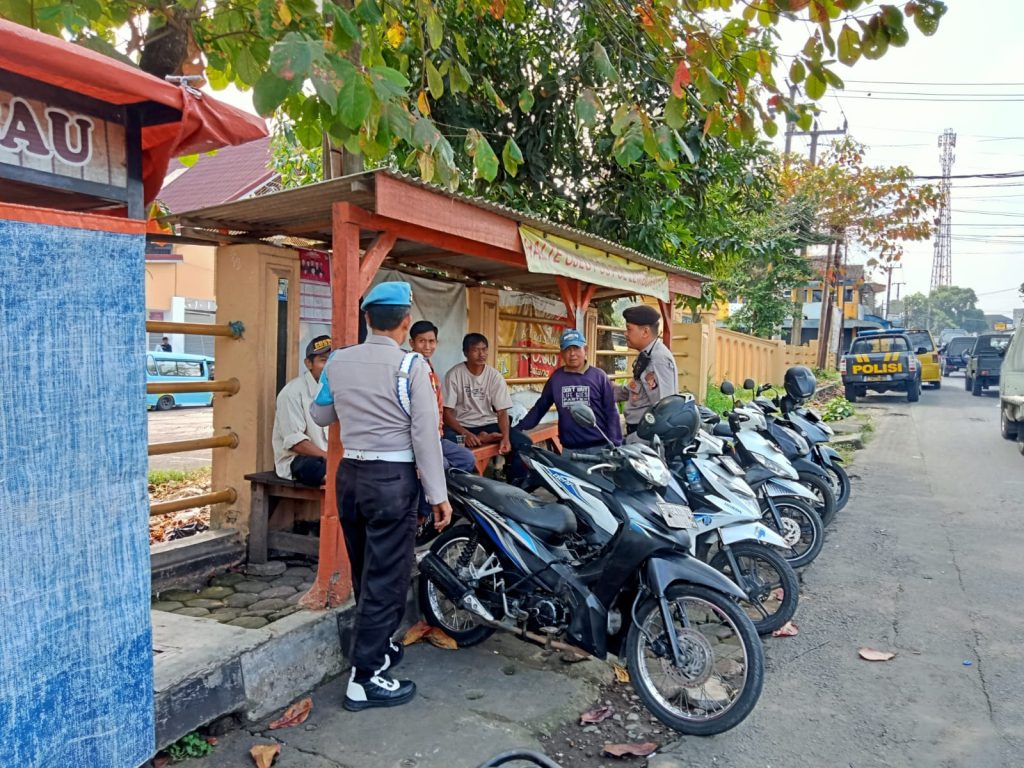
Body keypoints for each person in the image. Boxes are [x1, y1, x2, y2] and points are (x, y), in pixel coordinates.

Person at [310, 282, 452, 711]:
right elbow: (425, 434)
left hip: (350, 475)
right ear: (405, 321)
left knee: (365, 569)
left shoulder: (337, 360)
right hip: (392, 479)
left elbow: (320, 413)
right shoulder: (412, 366)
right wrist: (438, 494)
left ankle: (374, 649)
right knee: (386, 579)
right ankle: (364, 678)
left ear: (367, 318)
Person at [442, 333, 532, 482]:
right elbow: (447, 413)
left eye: (484, 349)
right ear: (465, 353)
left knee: (524, 443)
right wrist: (466, 434)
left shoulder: (494, 376)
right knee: (448, 440)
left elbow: (502, 412)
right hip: (462, 427)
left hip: (488, 424)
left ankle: (515, 488)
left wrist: (506, 438)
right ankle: (464, 484)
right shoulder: (454, 375)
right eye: (476, 350)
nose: (481, 354)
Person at [516, 329, 623, 449]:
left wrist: (616, 443)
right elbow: (540, 407)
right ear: (561, 353)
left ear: (585, 350)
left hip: (600, 448)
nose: (572, 354)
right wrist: (519, 427)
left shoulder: (599, 376)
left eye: (576, 348)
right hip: (569, 449)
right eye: (567, 349)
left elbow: (611, 411)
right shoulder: (556, 378)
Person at [408, 320, 477, 474]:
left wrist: (438, 431)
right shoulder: (410, 367)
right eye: (422, 341)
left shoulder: (428, 366)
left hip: (435, 435)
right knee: (442, 465)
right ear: (411, 343)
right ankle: (433, 496)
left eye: (431, 341)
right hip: (418, 437)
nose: (427, 346)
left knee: (466, 459)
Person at [271, 335, 331, 486]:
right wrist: (330, 457)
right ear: (308, 363)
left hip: (330, 457)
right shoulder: (292, 392)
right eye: (323, 360)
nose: (330, 366)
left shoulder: (339, 390)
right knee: (318, 469)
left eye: (333, 360)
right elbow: (296, 443)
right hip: (300, 460)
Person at [613, 304, 679, 435]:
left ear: (645, 332)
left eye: (629, 329)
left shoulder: (658, 359)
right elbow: (637, 390)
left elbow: (664, 406)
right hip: (639, 430)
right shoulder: (647, 354)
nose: (625, 334)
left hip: (647, 433)